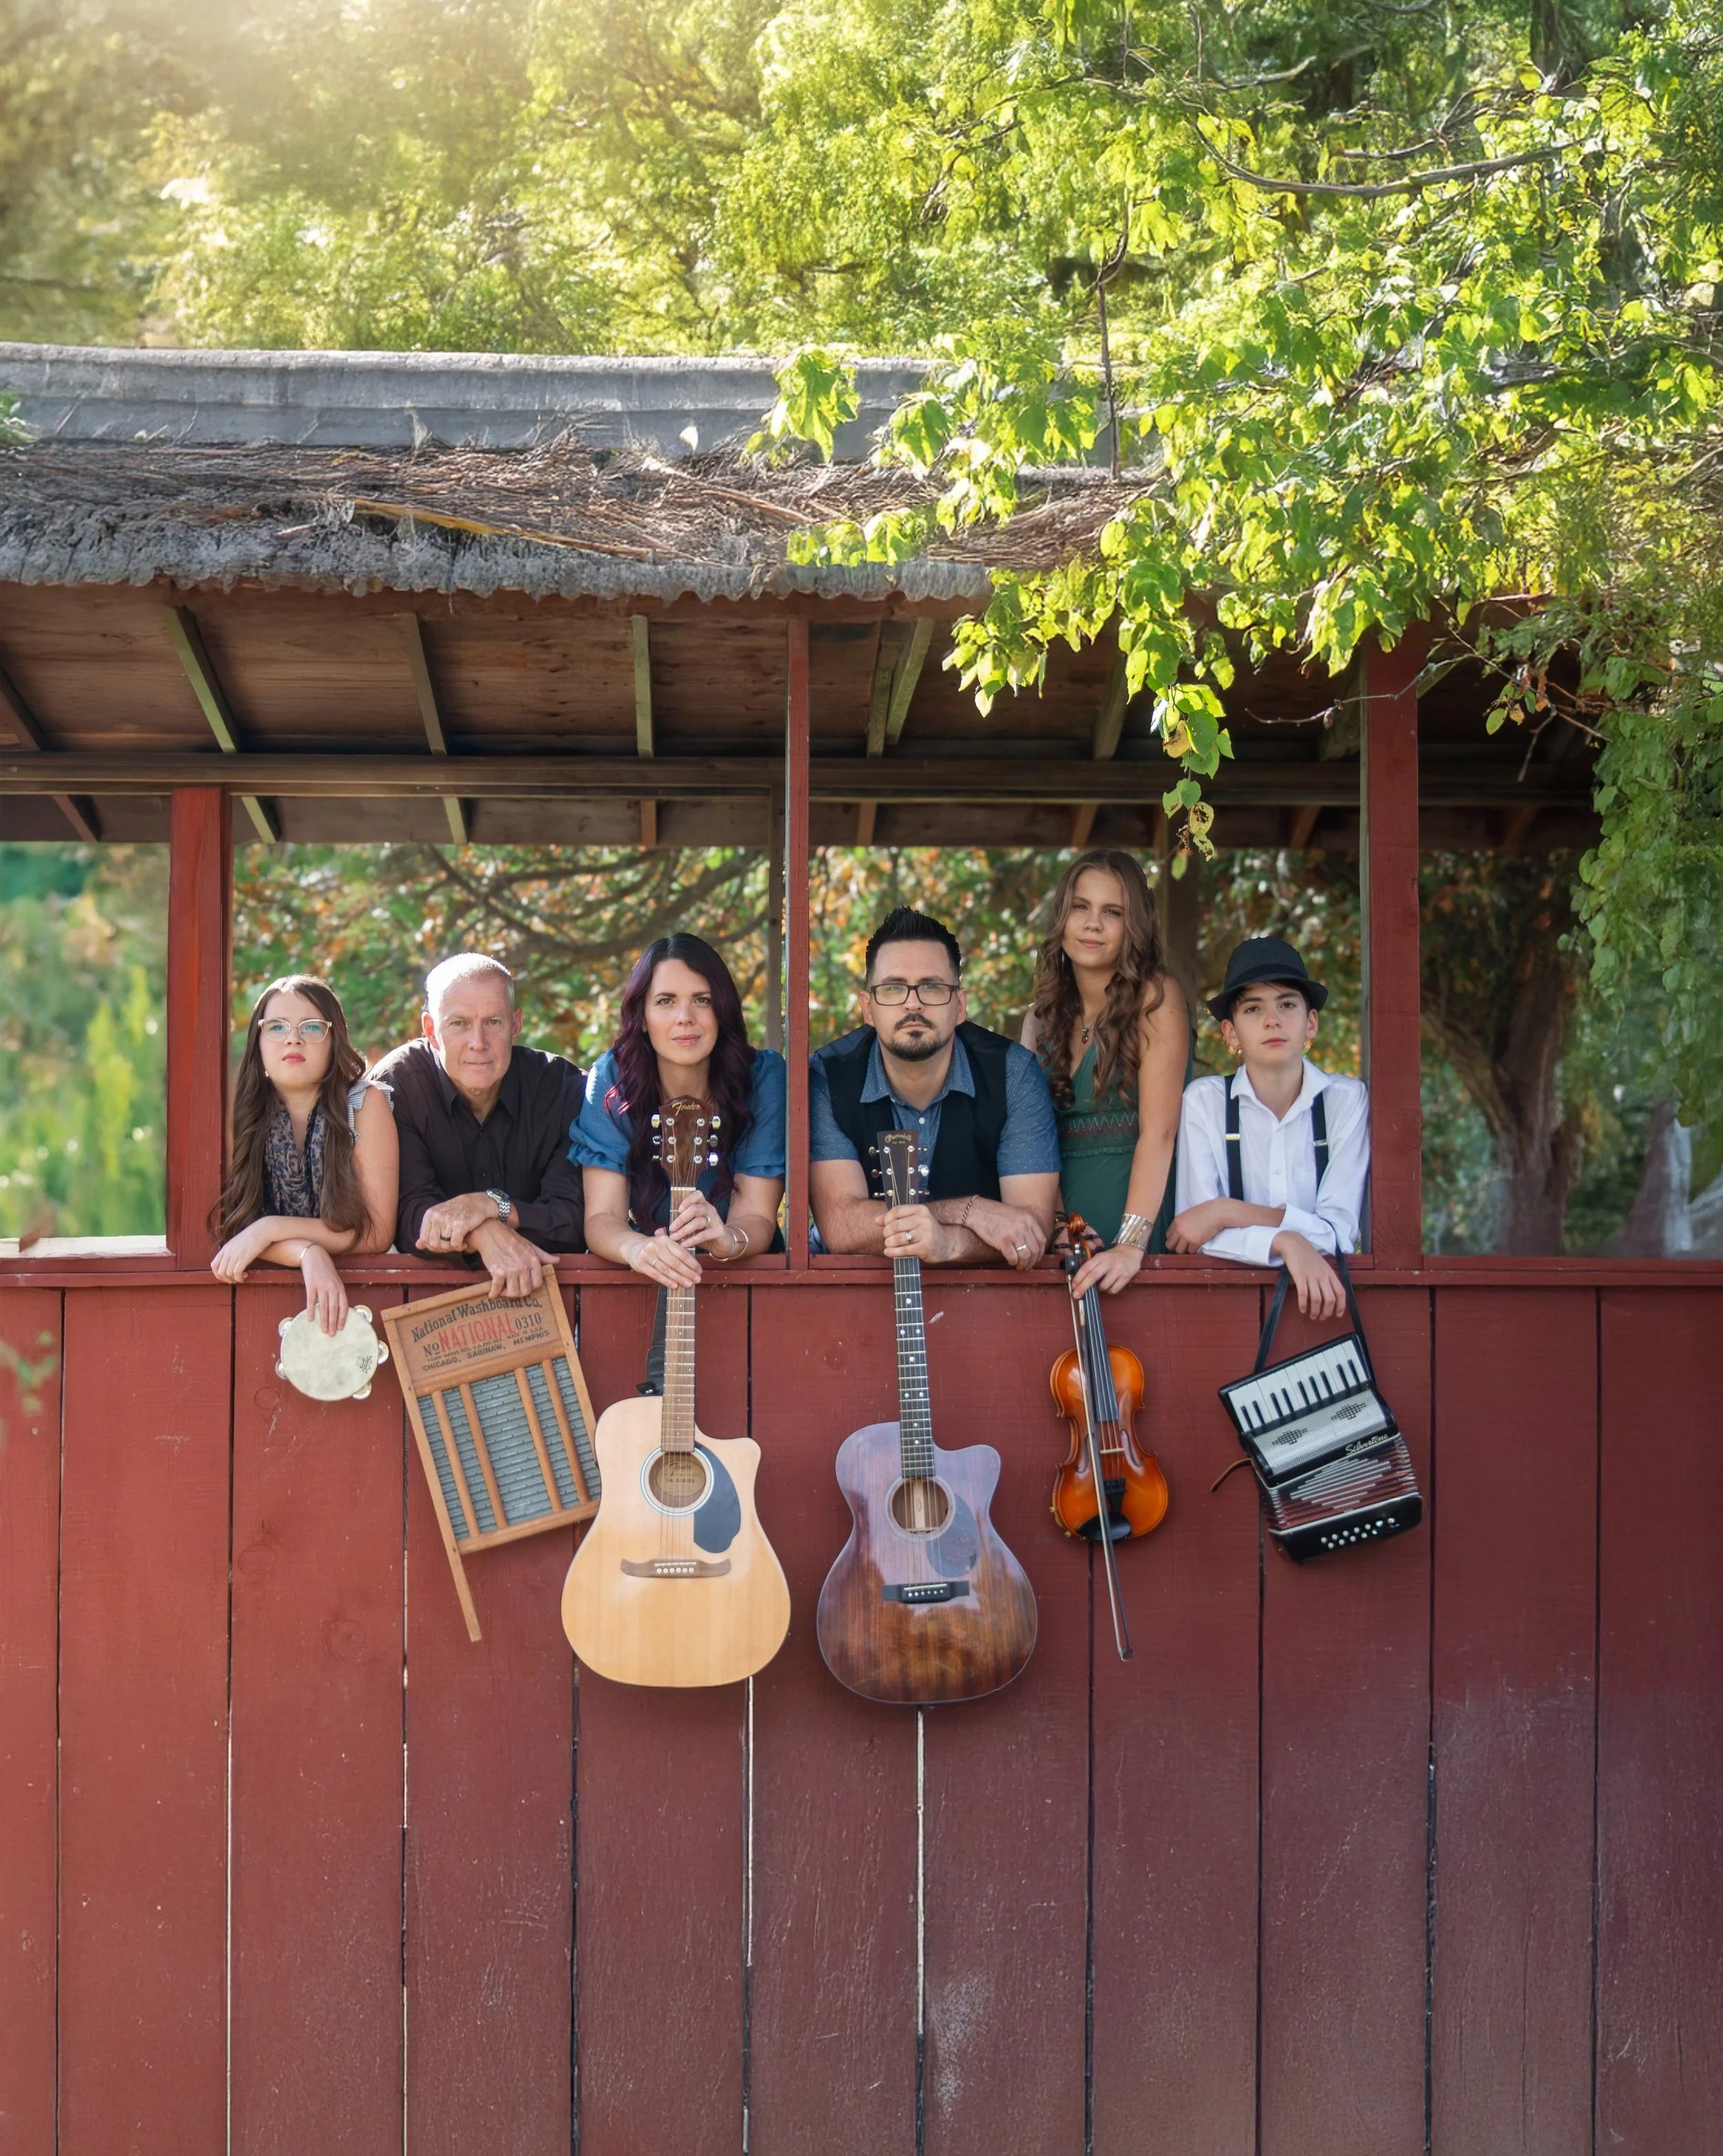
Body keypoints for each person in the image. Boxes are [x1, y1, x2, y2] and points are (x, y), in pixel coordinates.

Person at [810, 905, 1060, 1266]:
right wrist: (968, 1212)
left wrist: (950, 1244)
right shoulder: (827, 1078)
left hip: (984, 1300)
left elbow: (1031, 1229)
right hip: (858, 1294)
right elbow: (842, 1227)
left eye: (932, 986)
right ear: (868, 1008)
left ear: (960, 1005)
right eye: (893, 988)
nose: (913, 1003)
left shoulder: (1012, 1073)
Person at [1167, 936, 1369, 1318]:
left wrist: (1227, 1212)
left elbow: (1338, 1233)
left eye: (1287, 1004)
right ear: (1230, 1033)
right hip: (1223, 1310)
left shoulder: (1346, 1101)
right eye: (1253, 1008)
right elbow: (1196, 1234)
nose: (1272, 1020)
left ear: (1311, 1023)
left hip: (1324, 1310)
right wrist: (1287, 1241)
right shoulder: (1205, 1102)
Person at [573, 933, 786, 1289]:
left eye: (702, 1000)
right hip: (647, 1282)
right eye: (666, 1001)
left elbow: (757, 1217)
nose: (685, 1018)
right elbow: (602, 1216)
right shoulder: (613, 1080)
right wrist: (637, 1248)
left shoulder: (762, 1079)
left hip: (747, 1288)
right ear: (642, 1016)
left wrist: (727, 1239)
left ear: (722, 1010)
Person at [1021, 849, 1189, 1295]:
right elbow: (1029, 1141)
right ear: (1063, 917)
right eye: (1081, 907)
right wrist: (1057, 1225)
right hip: (1061, 1242)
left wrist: (1131, 1245)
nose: (1093, 923)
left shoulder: (1157, 999)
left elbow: (1160, 1134)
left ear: (1133, 926)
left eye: (1112, 912)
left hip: (1138, 1229)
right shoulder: (1039, 1020)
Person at [370, 953, 586, 1300]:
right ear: (431, 1030)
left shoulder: (564, 1090)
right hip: (431, 1310)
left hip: (547, 1303)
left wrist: (491, 1207)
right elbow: (410, 1216)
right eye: (459, 1024)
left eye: (493, 1022)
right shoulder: (395, 1088)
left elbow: (571, 1220)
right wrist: (483, 1233)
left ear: (516, 1025)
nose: (478, 1043)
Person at [210, 975, 399, 1333]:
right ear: (257, 1042)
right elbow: (237, 1232)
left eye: (312, 1027)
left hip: (364, 1306)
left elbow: (376, 1233)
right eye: (277, 1026)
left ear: (334, 1040)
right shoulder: (240, 1113)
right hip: (258, 1310)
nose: (293, 1038)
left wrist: (271, 1228)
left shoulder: (363, 1105)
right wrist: (307, 1253)